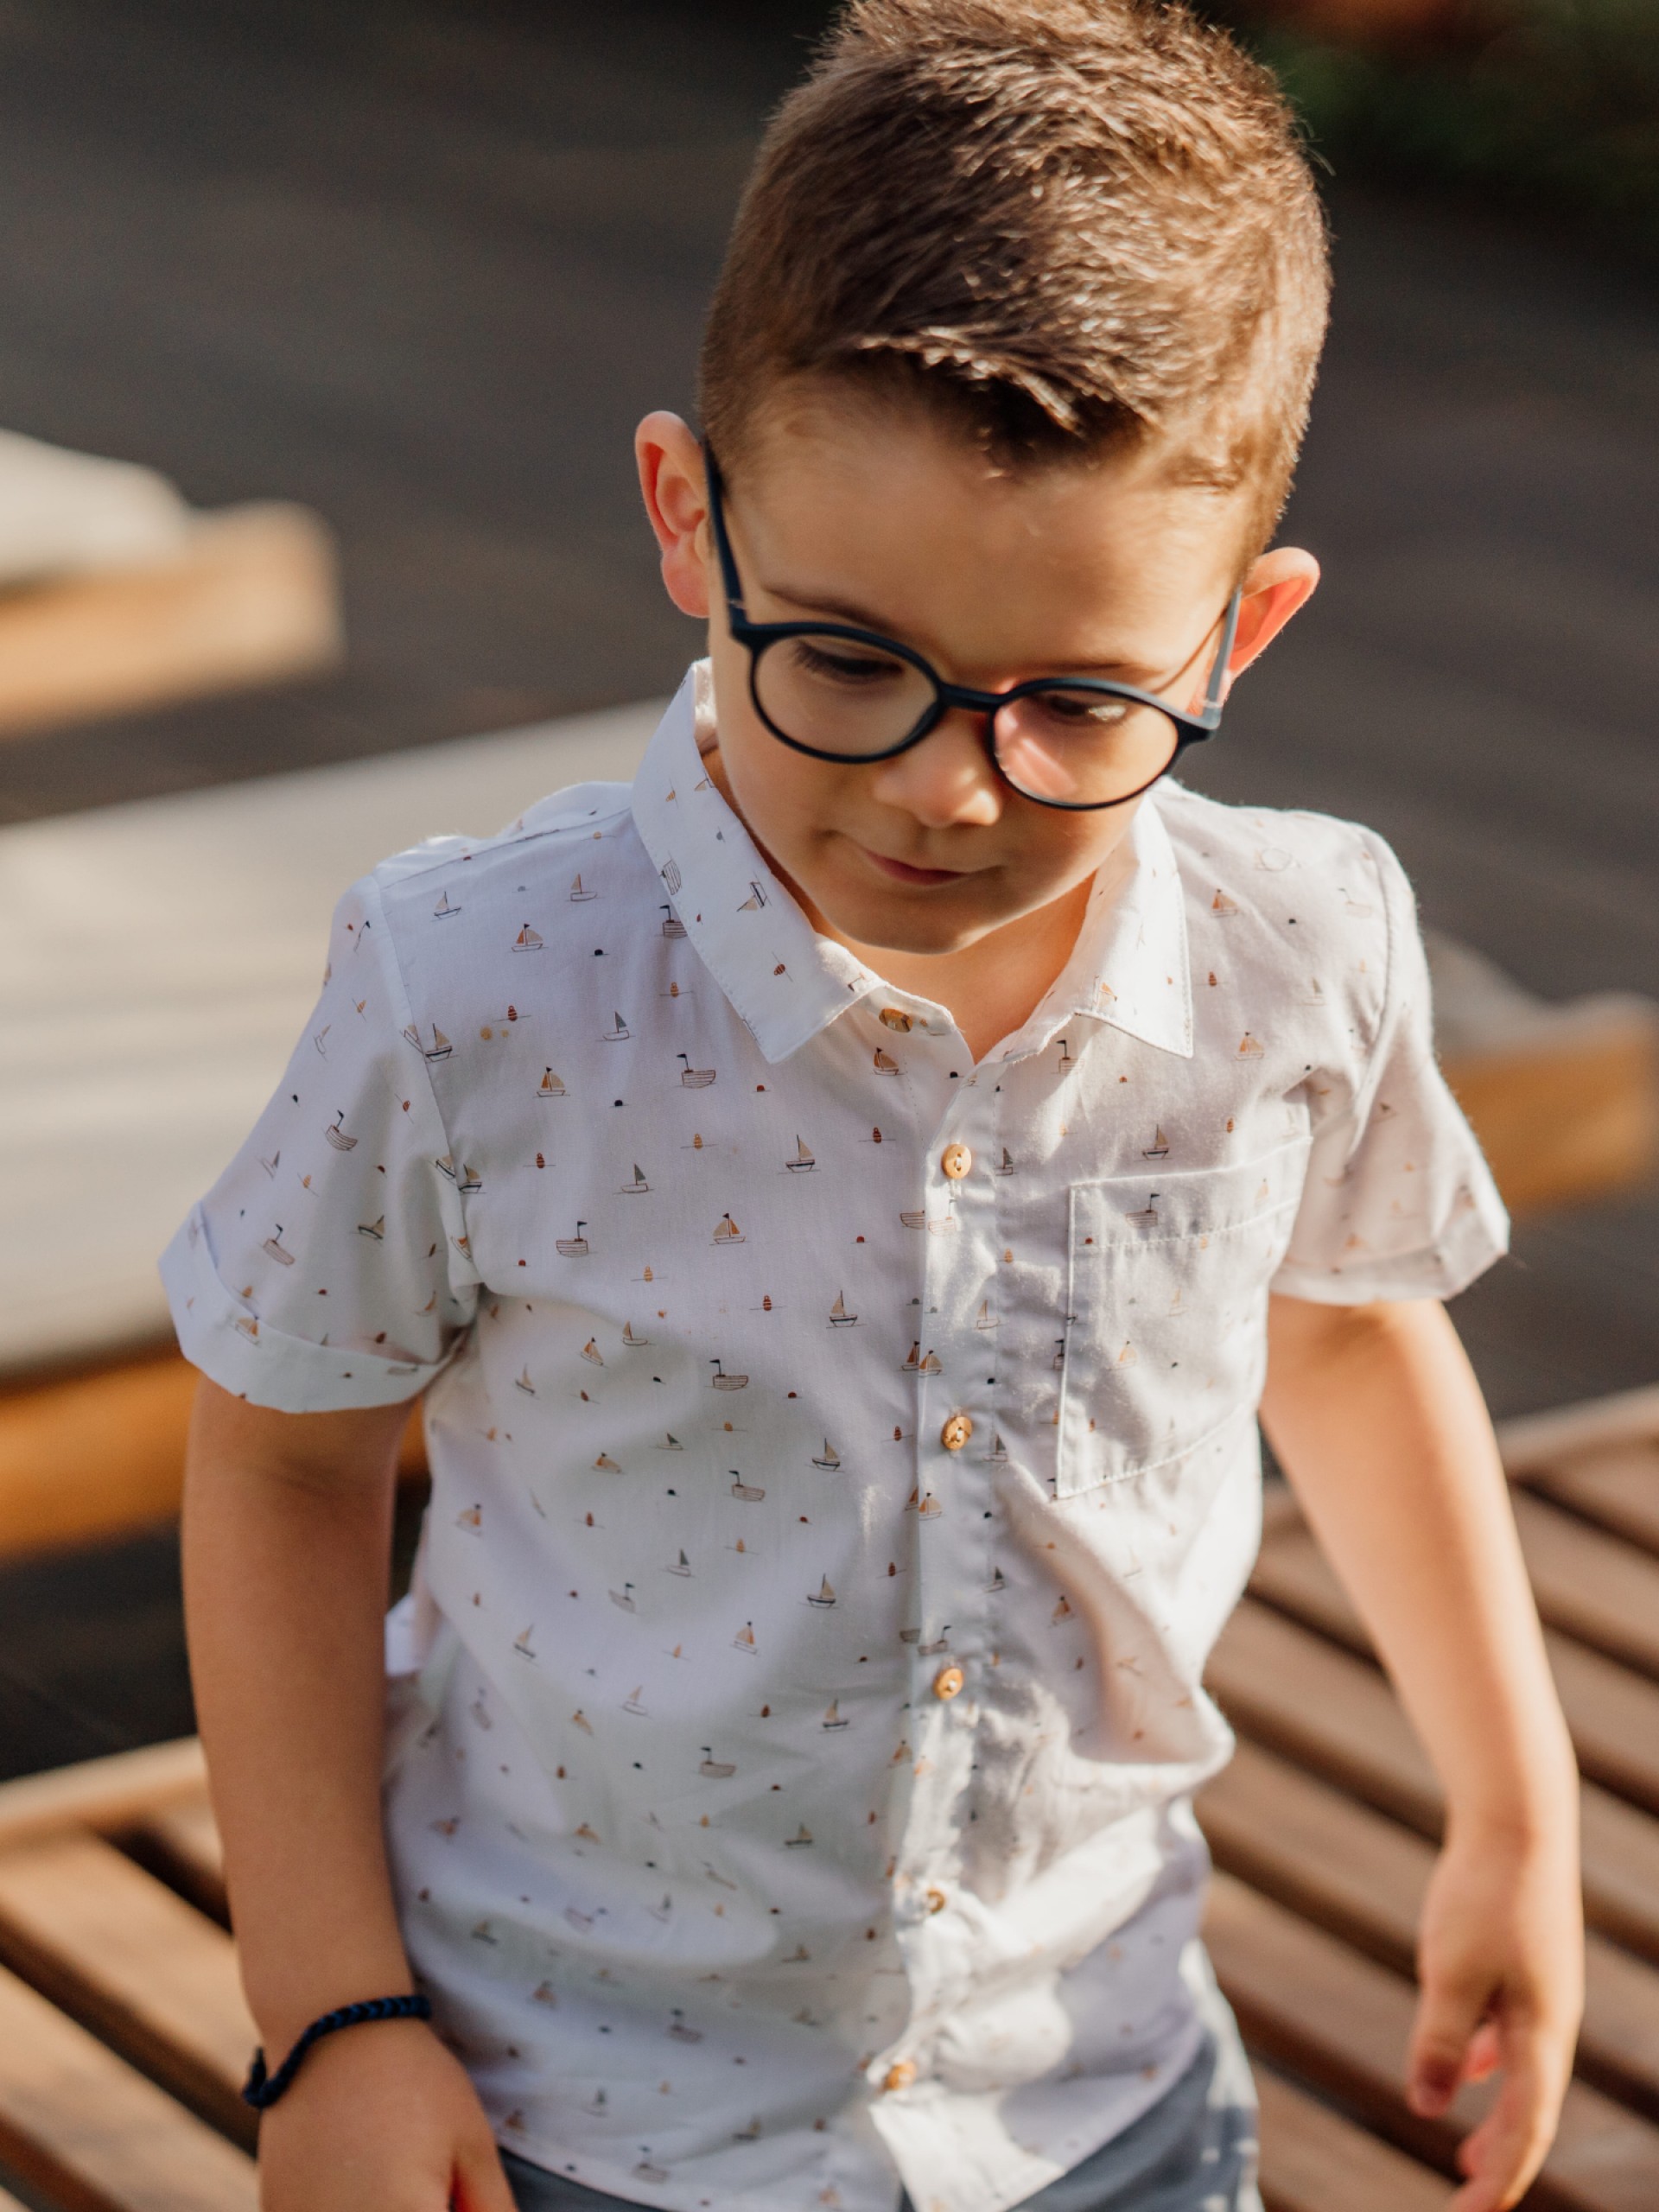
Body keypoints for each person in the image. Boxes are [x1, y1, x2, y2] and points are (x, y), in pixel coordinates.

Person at [167, 3, 1583, 2209]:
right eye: (843, 659)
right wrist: (328, 2017)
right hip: (577, 2109)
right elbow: (282, 1462)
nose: (946, 786)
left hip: (1098, 2093)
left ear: (1238, 642)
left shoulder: (1302, 949)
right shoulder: (474, 985)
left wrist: (1513, 1808)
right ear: (682, 514)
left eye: (1080, 703)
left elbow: (1345, 1326)